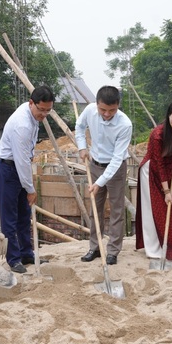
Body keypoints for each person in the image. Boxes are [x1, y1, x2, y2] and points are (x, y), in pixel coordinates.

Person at [0, 86, 55, 273]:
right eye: (41, 109)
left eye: (48, 110)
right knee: (10, 217)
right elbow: (21, 161)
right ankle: (13, 259)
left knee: (23, 214)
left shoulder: (32, 115)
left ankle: (26, 253)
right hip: (8, 169)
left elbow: (24, 159)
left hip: (19, 167)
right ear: (31, 103)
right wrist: (30, 189)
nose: (44, 114)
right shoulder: (22, 124)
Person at [75, 86, 133, 265]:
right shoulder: (89, 110)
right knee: (95, 208)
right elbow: (79, 127)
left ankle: (113, 251)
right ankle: (94, 247)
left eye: (112, 110)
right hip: (95, 164)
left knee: (116, 210)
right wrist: (82, 146)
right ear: (97, 104)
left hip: (116, 169)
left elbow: (117, 159)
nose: (107, 114)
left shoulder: (125, 124)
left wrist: (100, 182)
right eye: (103, 110)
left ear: (118, 106)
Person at [135, 99, 172, 264]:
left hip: (169, 169)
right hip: (152, 170)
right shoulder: (157, 134)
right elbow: (158, 163)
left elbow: (171, 156)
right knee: (155, 208)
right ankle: (154, 249)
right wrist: (166, 192)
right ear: (168, 116)